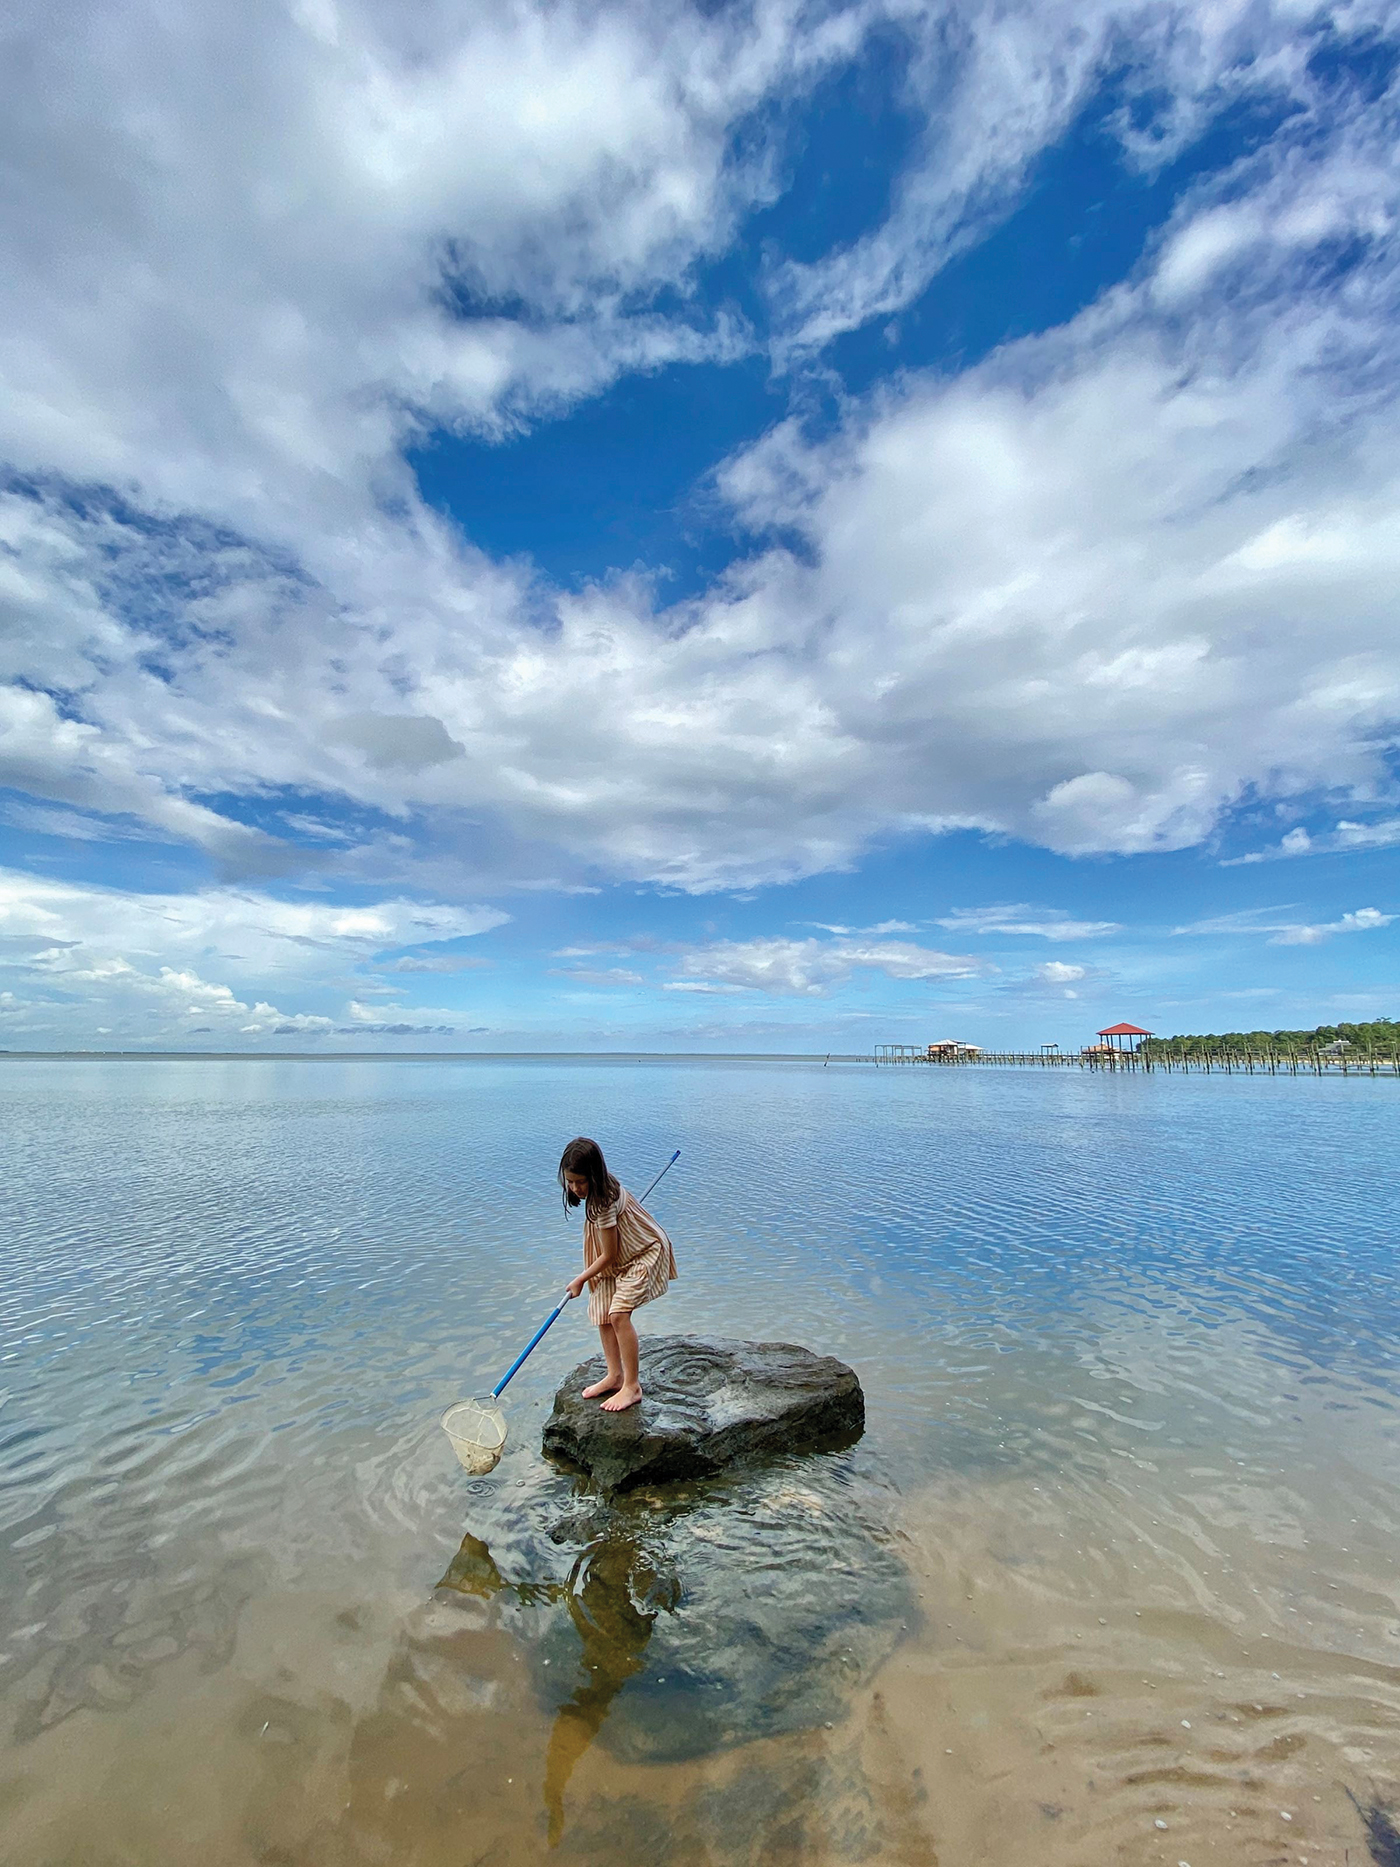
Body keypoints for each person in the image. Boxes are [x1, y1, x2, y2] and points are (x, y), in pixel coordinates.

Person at [559, 1136, 677, 1412]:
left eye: (581, 1182)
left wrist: (580, 1279)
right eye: (570, 1181)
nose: (575, 1188)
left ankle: (632, 1386)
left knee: (618, 1314)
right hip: (620, 1256)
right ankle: (615, 1375)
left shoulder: (603, 1203)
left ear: (595, 1176)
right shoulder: (598, 1192)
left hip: (641, 1255)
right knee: (602, 1311)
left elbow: (608, 1255)